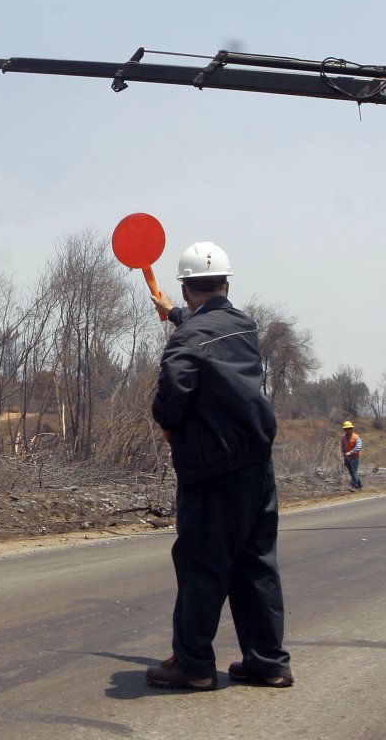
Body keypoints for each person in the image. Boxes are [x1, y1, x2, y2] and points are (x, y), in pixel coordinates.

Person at [145, 241, 293, 692]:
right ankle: (268, 663)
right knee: (255, 565)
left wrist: (169, 422)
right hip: (256, 465)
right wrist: (172, 313)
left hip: (210, 471)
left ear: (187, 288)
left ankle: (192, 665)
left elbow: (172, 395)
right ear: (226, 283)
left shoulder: (187, 340)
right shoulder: (244, 326)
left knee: (201, 566)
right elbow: (204, 327)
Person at [341, 420, 363, 490]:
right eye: (346, 429)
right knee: (352, 472)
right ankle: (359, 484)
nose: (348, 430)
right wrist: (344, 454)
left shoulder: (356, 437)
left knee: (353, 472)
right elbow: (343, 447)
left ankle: (354, 486)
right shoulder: (343, 438)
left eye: (349, 428)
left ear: (352, 429)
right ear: (344, 429)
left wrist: (351, 452)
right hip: (347, 458)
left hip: (354, 457)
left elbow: (358, 447)